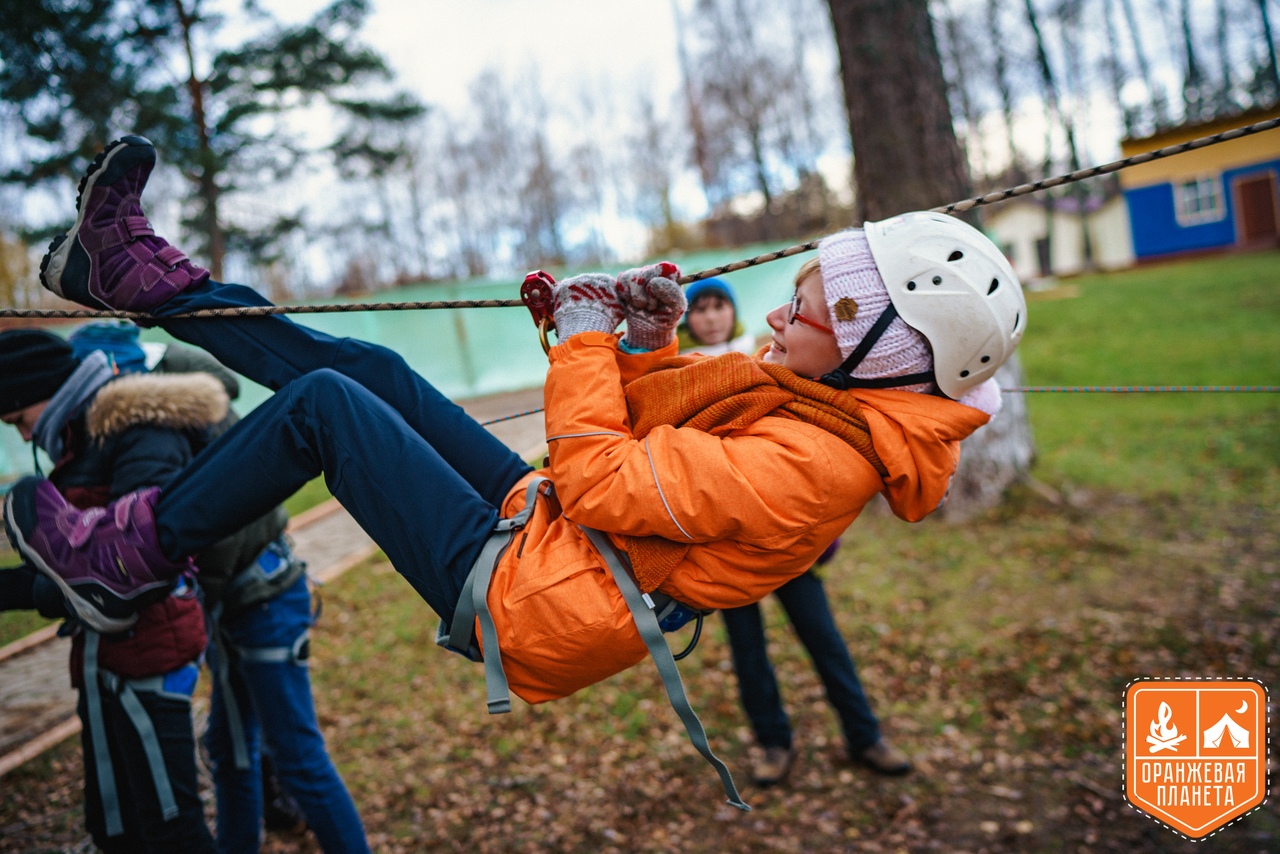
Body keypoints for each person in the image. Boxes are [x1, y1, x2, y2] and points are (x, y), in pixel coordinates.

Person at [7, 135, 1023, 807]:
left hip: (539, 591)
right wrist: (644, 346)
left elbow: (612, 484)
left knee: (325, 410)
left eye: (808, 305)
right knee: (373, 372)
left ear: (874, 347)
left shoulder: (825, 459)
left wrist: (583, 346)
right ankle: (139, 276)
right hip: (554, 532)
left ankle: (125, 554)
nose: (779, 311)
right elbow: (652, 438)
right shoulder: (817, 392)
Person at [66, 320, 369, 854]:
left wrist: (184, 599)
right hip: (233, 607)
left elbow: (232, 528)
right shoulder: (170, 416)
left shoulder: (172, 426)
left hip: (263, 601)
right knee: (232, 755)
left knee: (297, 757)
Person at [676, 275, 909, 786]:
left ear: (731, 313)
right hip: (729, 543)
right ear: (689, 319)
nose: (711, 315)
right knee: (747, 648)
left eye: (719, 306)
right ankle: (772, 743)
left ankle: (865, 735)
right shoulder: (681, 372)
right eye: (702, 308)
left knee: (823, 637)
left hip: (786, 538)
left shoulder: (774, 356)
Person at [0, 328, 216, 853]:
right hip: (110, 662)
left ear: (44, 392)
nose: (26, 438)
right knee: (119, 827)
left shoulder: (140, 431)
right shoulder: (84, 438)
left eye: (18, 421)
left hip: (147, 660)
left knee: (171, 830)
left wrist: (37, 593)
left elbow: (136, 568)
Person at [676, 277, 757, 356]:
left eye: (719, 307)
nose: (711, 318)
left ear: (733, 311)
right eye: (700, 310)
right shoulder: (672, 365)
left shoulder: (761, 359)